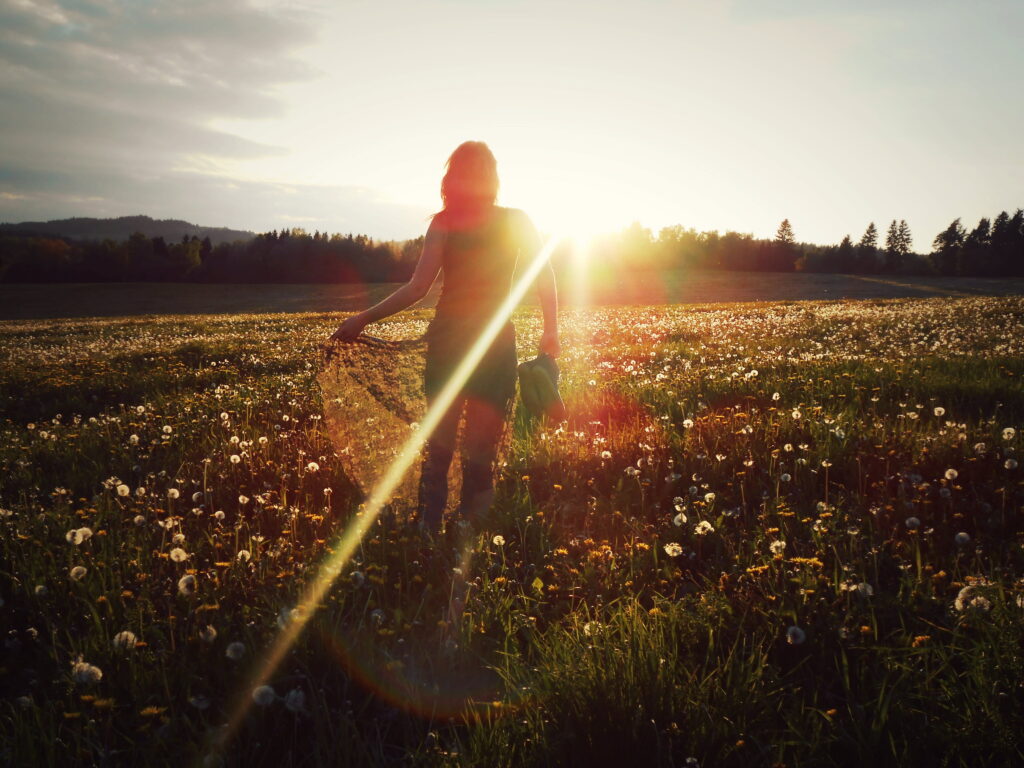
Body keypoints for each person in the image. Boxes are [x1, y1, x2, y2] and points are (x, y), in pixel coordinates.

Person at [330, 140, 559, 534]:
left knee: (440, 446)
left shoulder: (445, 222)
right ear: (492, 175)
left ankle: (429, 528)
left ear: (451, 177)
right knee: (480, 449)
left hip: (452, 342)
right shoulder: (512, 220)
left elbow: (417, 288)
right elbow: (545, 276)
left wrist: (363, 319)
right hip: (491, 344)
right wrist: (550, 329)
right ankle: (468, 529)